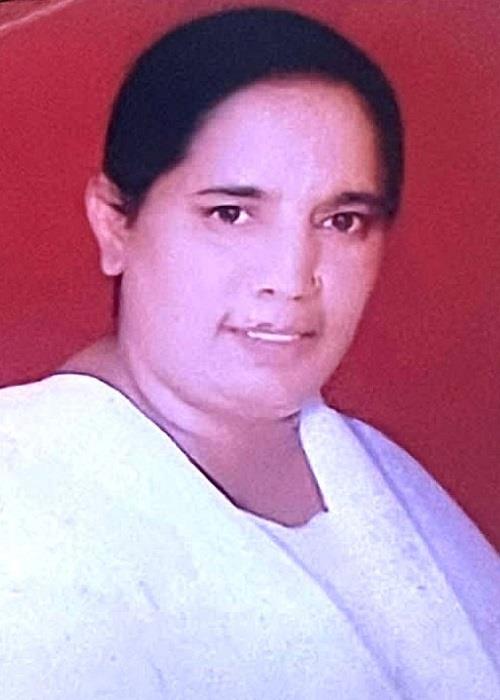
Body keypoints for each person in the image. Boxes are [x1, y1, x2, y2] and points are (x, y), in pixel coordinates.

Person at [0, 7, 498, 699]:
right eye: (231, 214)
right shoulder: (23, 501)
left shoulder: (377, 470)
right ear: (115, 224)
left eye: (342, 221)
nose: (291, 279)